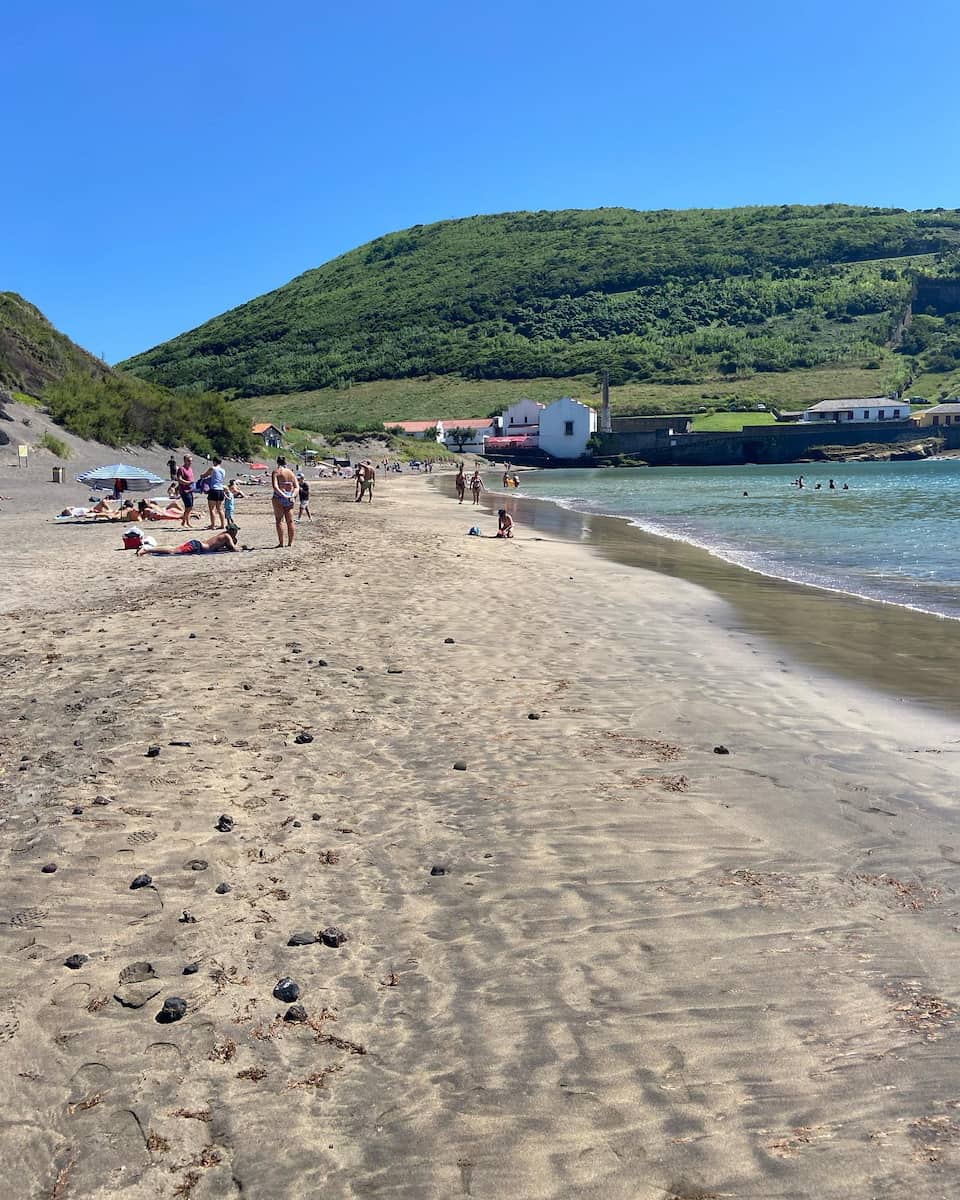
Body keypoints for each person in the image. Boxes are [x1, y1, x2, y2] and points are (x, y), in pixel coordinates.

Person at [137, 529, 238, 557]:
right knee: (173, 551)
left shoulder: (222, 535)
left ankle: (149, 549)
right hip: (197, 546)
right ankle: (147, 549)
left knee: (173, 549)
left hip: (197, 546)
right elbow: (233, 549)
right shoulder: (227, 536)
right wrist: (242, 548)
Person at [271, 455, 299, 547]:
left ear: (277, 462)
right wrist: (292, 495)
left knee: (279, 520)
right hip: (290, 495)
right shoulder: (290, 472)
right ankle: (290, 542)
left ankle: (281, 543)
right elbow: (297, 487)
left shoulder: (276, 472)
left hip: (279, 497)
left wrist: (283, 495)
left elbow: (275, 487)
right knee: (290, 521)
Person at [198, 456, 227, 529]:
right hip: (221, 490)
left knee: (212, 509)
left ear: (214, 462)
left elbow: (204, 475)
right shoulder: (223, 470)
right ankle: (222, 525)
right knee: (220, 509)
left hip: (214, 490)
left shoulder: (212, 468)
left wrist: (202, 475)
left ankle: (213, 525)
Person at [176, 455, 195, 529]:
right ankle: (187, 522)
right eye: (189, 461)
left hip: (190, 490)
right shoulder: (181, 469)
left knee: (190, 507)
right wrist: (187, 483)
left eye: (191, 461)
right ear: (185, 461)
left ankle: (184, 521)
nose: (190, 462)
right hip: (184, 491)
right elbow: (179, 479)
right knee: (188, 507)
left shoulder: (190, 469)